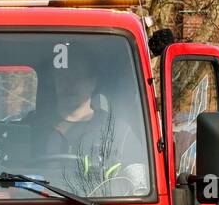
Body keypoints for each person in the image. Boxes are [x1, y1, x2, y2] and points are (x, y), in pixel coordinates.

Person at [29, 49, 140, 192]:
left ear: (93, 82)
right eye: (63, 76)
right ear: (54, 81)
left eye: (78, 76)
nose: (70, 84)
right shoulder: (31, 127)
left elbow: (139, 187)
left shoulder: (118, 132)